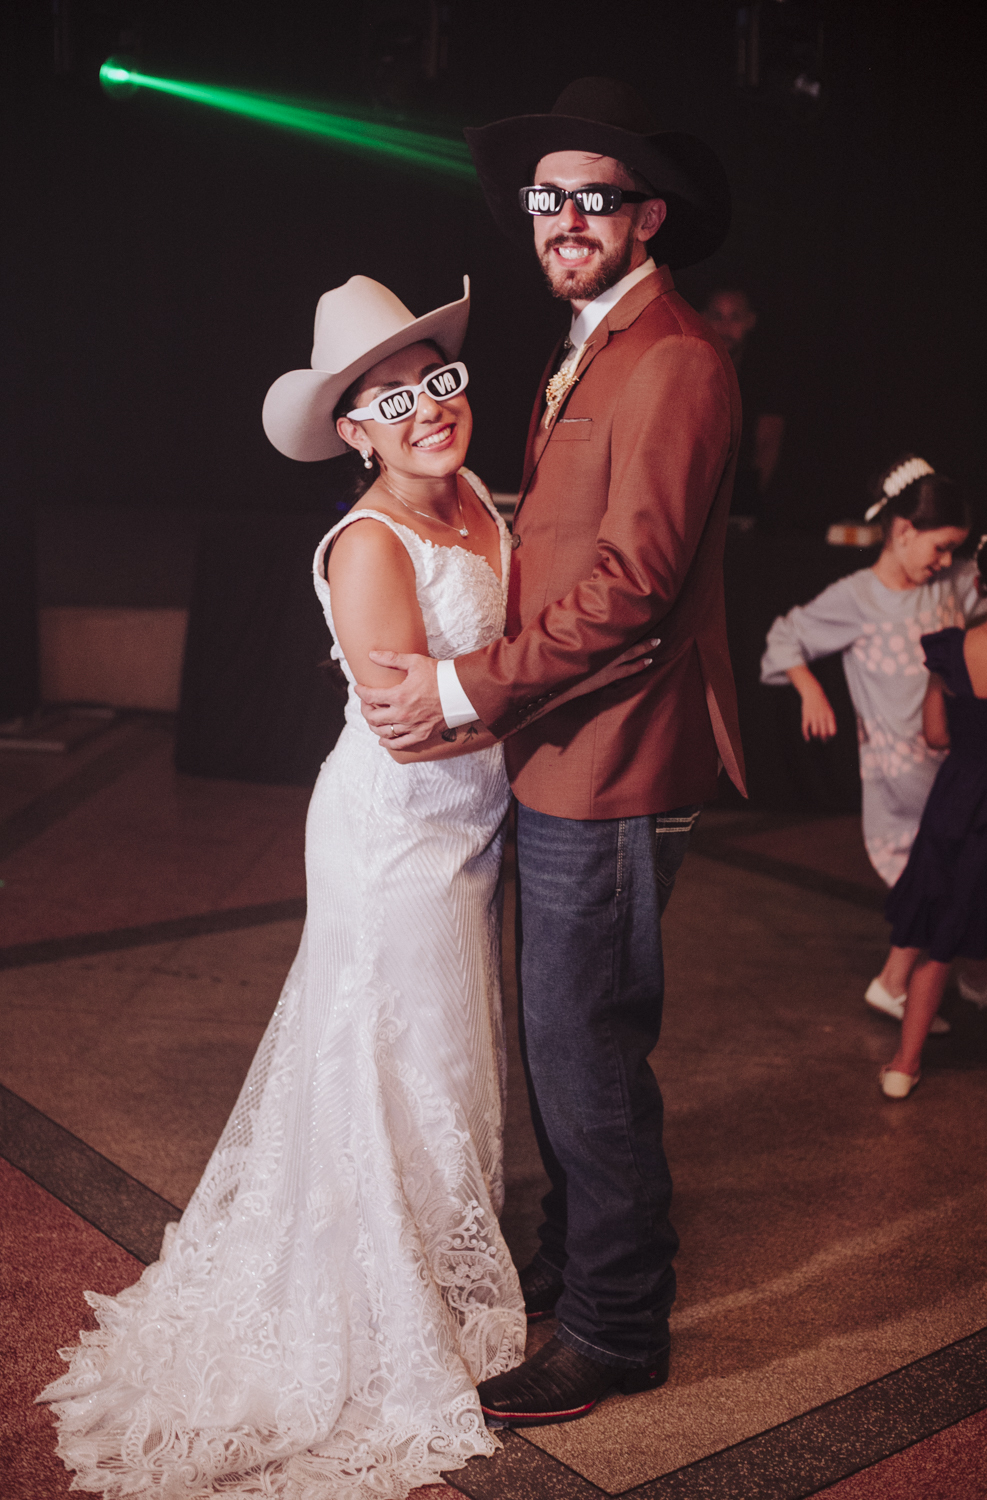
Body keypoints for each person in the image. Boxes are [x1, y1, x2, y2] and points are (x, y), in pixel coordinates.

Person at [38, 275, 649, 1496]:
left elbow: (479, 673)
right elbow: (411, 731)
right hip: (394, 839)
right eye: (392, 398)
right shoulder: (368, 541)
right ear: (355, 429)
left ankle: (431, 1260)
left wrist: (520, 690)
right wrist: (555, 694)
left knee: (447, 1054)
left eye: (439, 381)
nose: (428, 408)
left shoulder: (479, 497)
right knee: (394, 1056)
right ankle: (373, 1302)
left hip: (469, 831)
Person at [350, 77, 745, 1425]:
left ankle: (617, 1328)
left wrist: (464, 686)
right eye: (546, 196)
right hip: (564, 750)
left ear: (647, 217)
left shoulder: (676, 356)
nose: (565, 217)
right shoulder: (593, 342)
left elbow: (632, 588)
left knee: (587, 1050)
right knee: (563, 1039)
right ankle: (577, 1265)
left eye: (595, 197)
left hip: (618, 756)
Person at [760, 456, 980, 1034]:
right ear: (903, 531)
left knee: (950, 877)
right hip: (902, 777)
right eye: (940, 546)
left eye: (955, 550)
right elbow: (786, 635)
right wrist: (810, 689)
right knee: (939, 877)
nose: (946, 560)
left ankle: (904, 982)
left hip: (949, 764)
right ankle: (906, 984)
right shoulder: (858, 597)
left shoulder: (951, 583)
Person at [879, 529, 987, 1105]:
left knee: (939, 939)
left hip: (962, 802)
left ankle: (904, 1066)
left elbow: (935, 733)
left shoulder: (952, 650)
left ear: (979, 583)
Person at [702, 287, 785, 524]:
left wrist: (745, 504)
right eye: (717, 316)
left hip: (741, 499)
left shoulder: (764, 376)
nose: (725, 326)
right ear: (703, 318)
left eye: (735, 317)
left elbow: (768, 443)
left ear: (750, 321)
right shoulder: (687, 366)